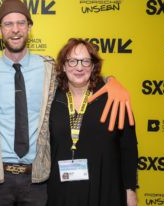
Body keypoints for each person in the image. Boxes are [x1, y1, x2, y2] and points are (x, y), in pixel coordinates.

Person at [0, 0, 135, 205]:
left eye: (21, 23)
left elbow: (80, 73)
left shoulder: (49, 69)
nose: (15, 29)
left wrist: (112, 81)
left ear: (29, 27)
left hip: (37, 178)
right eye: (8, 24)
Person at [47, 38, 138, 206]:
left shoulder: (113, 98)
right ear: (64, 66)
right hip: (62, 191)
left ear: (93, 66)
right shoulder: (52, 100)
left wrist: (130, 190)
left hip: (104, 190)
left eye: (85, 61)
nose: (79, 67)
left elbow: (128, 147)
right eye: (73, 61)